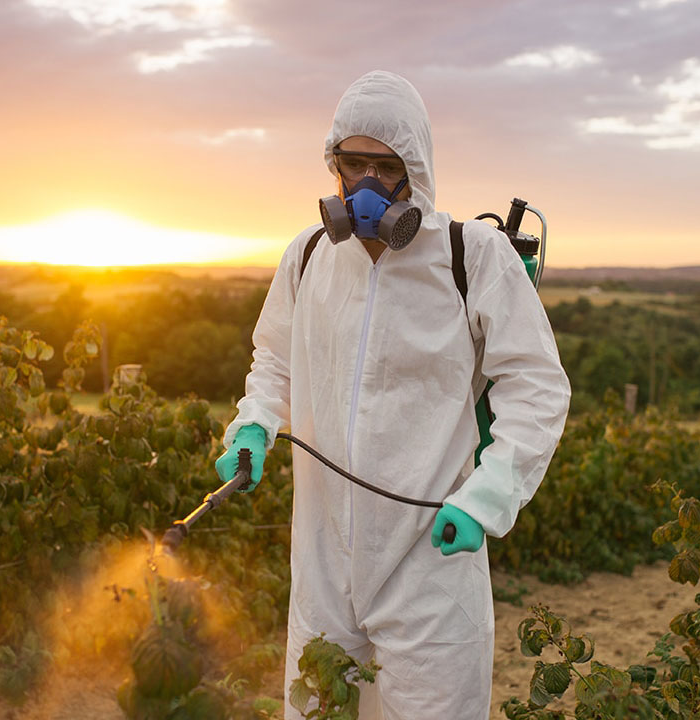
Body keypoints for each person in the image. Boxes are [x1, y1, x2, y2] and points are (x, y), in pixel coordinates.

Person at [216, 70, 570, 719]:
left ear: (417, 171)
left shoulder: (472, 258)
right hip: (323, 563)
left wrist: (488, 498)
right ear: (334, 167)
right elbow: (274, 359)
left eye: (387, 166)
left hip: (430, 563)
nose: (369, 185)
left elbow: (536, 386)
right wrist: (254, 424)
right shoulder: (308, 256)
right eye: (355, 163)